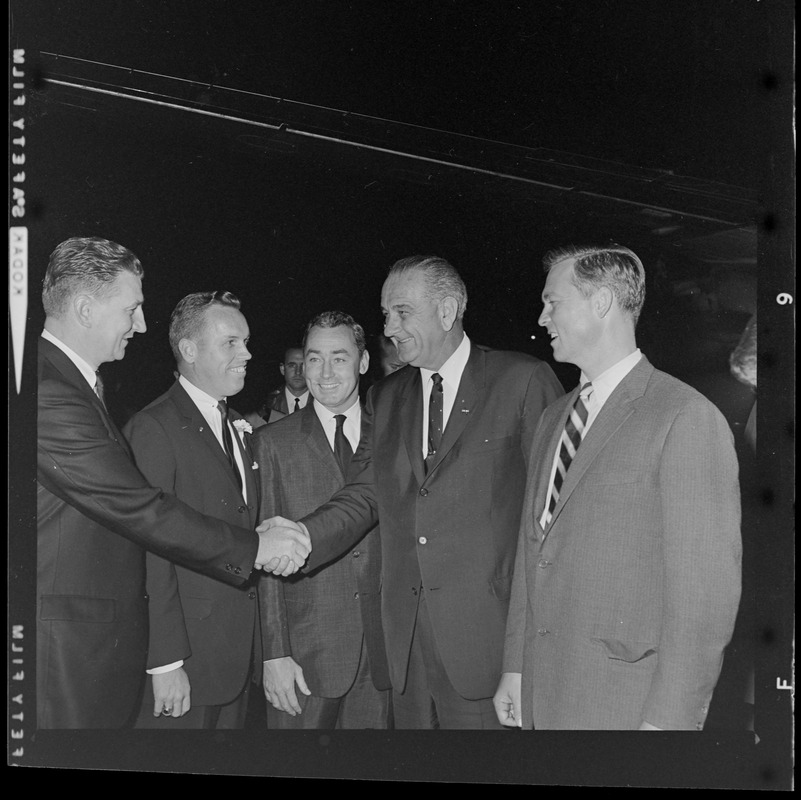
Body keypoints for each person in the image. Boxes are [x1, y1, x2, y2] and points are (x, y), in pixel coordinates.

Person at [264, 255, 563, 729]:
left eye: (402, 313)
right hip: (405, 651)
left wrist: (529, 653)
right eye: (386, 314)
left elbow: (550, 526)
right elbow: (363, 493)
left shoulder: (522, 381)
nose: (389, 328)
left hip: (485, 648)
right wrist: (300, 535)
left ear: (447, 311)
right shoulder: (387, 396)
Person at [37, 237, 310, 728]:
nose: (141, 326)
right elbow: (143, 513)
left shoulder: (78, 387)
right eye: (132, 309)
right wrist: (257, 547)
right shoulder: (51, 393)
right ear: (83, 308)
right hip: (72, 649)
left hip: (202, 652)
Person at [494, 244, 742, 731]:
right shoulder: (552, 418)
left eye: (553, 302)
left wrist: (669, 723)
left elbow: (705, 597)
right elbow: (533, 553)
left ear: (602, 301)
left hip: (624, 705)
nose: (543, 318)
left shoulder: (684, 417)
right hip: (544, 690)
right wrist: (516, 667)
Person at [124, 291, 262, 728]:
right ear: (188, 350)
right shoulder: (154, 427)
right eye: (231, 343)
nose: (247, 353)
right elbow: (149, 547)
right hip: (185, 663)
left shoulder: (237, 424)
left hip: (233, 655)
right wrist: (165, 663)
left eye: (246, 341)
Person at [254, 311, 391, 729]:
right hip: (306, 654)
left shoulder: (392, 434)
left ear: (364, 363)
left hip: (384, 652)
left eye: (339, 358)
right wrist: (275, 653)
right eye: (314, 359)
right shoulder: (270, 442)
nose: (325, 373)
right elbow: (263, 552)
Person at [264, 345, 309, 415]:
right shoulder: (266, 404)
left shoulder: (324, 402)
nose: (298, 372)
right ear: (282, 369)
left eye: (303, 366)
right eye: (292, 366)